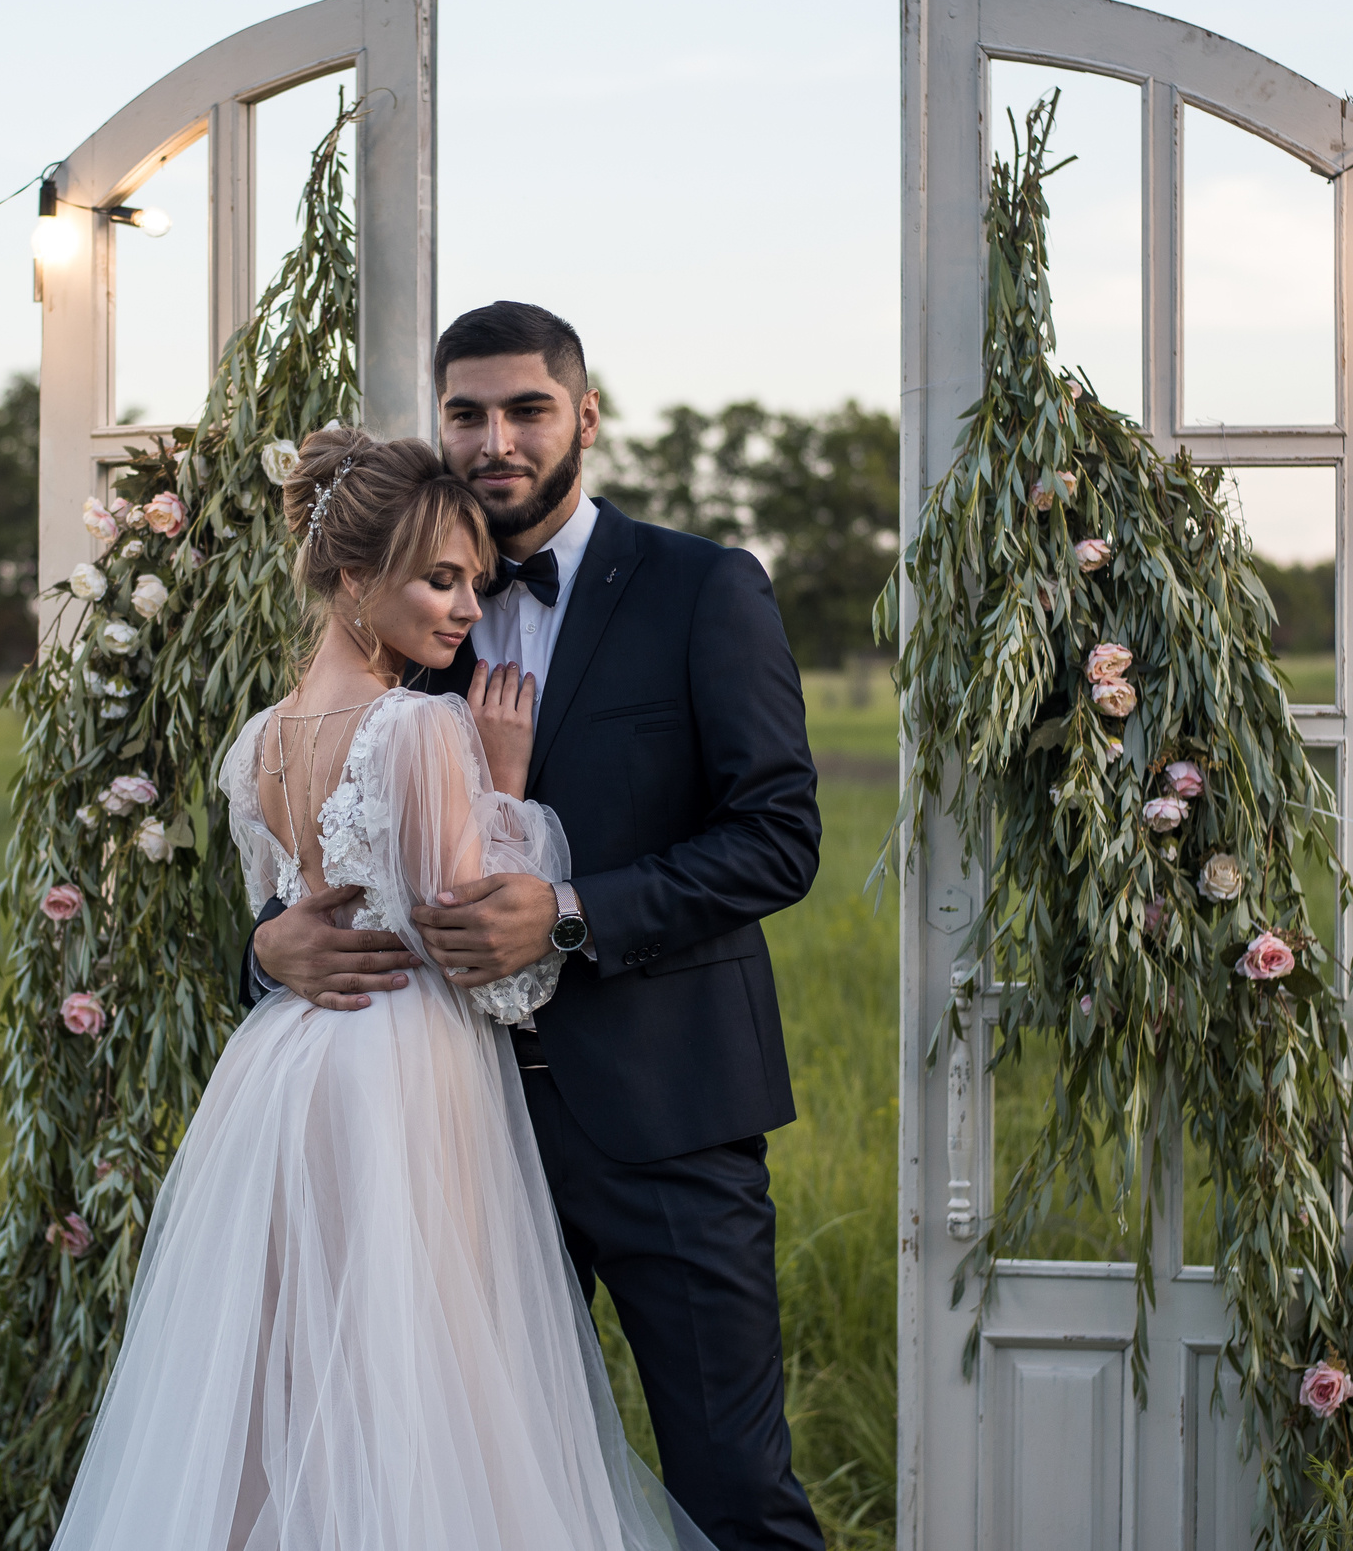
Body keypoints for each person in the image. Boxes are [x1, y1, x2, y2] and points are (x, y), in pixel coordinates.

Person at [51, 428, 714, 1551]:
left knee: (297, 1370)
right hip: (404, 1059)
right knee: (416, 1371)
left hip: (288, 1067)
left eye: (472, 582)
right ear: (355, 579)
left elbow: (290, 916)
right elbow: (482, 953)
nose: (464, 609)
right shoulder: (421, 727)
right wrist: (503, 784)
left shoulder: (254, 742)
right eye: (438, 579)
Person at [248, 303, 828, 1551]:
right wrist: (267, 944)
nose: (495, 439)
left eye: (526, 409)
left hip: (665, 1117)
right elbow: (329, 827)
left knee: (732, 1489)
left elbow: (778, 836)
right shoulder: (400, 615)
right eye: (466, 411)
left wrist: (565, 913)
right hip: (444, 1134)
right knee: (468, 1493)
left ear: (584, 419)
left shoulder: (701, 588)